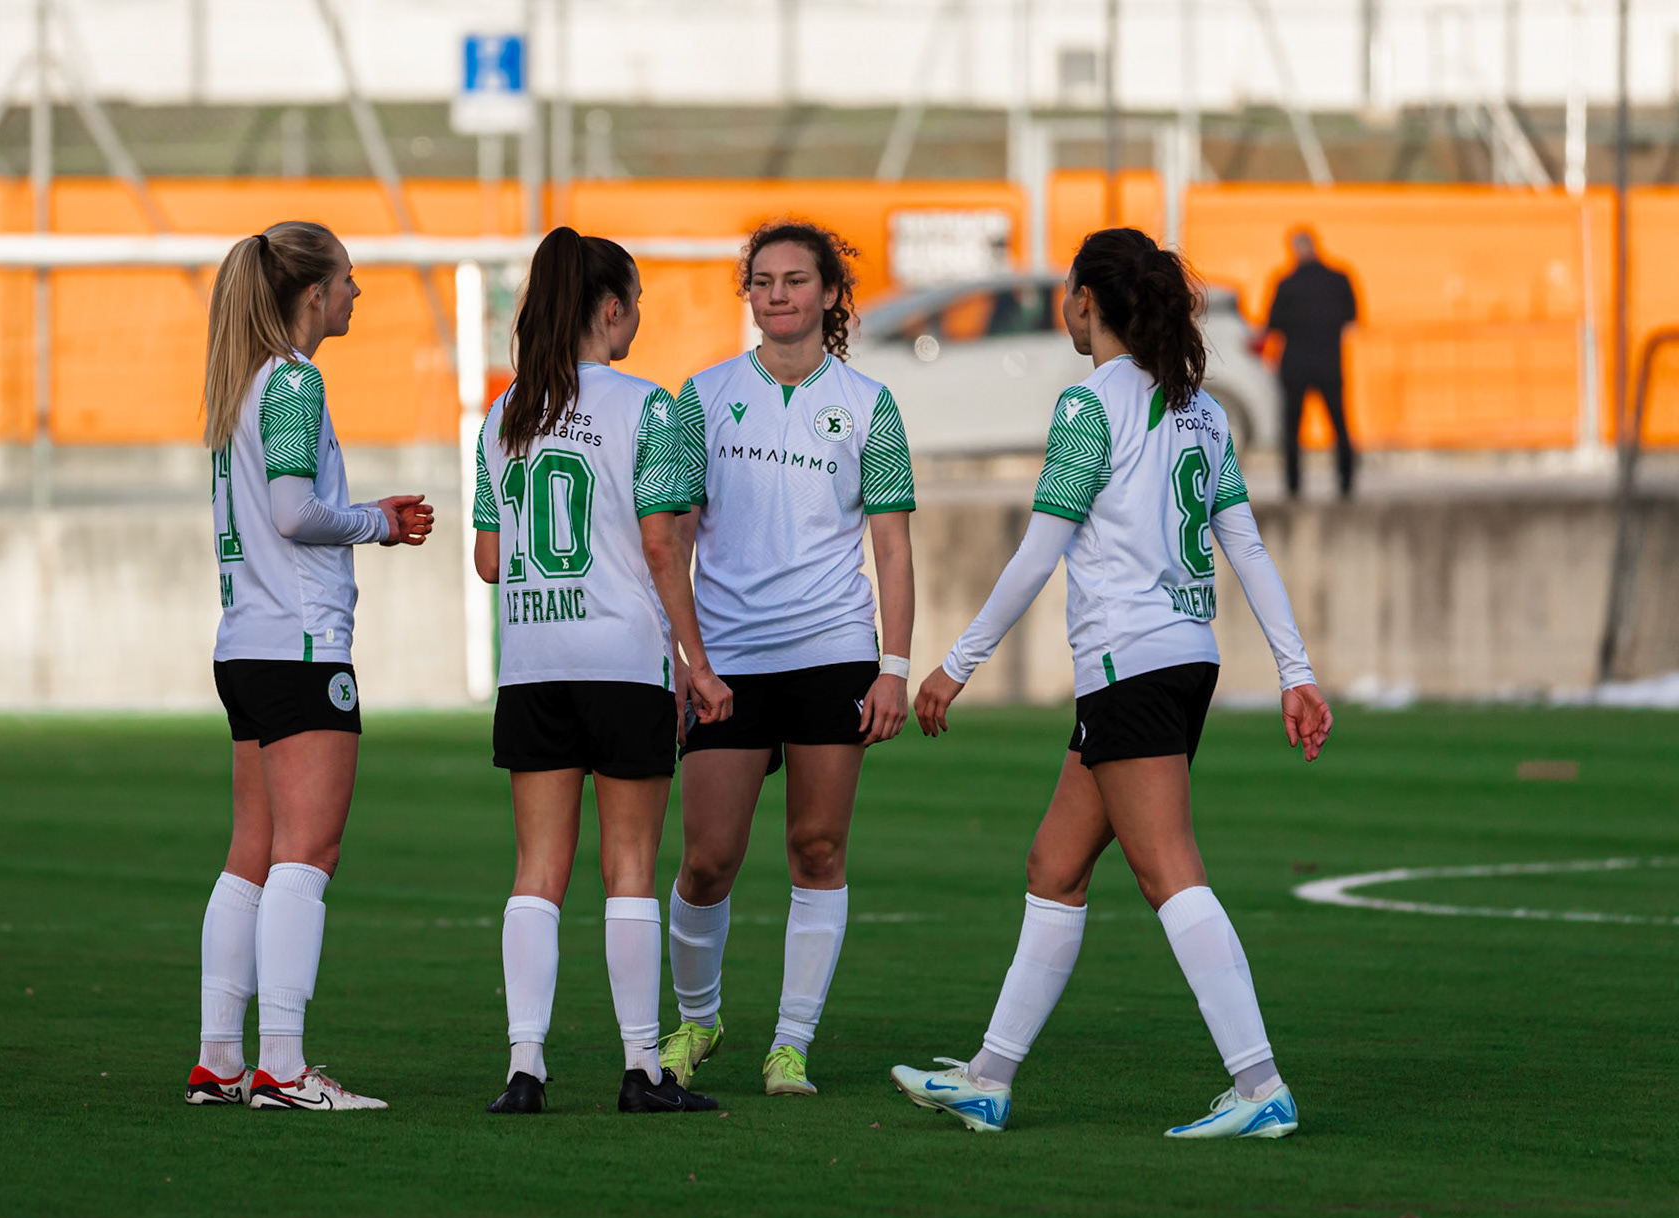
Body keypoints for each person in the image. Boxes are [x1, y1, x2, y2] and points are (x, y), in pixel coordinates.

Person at [890, 227, 1333, 1138]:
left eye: (1069, 293)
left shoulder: (1090, 406)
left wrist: (954, 664)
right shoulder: (1199, 409)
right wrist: (1295, 670)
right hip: (1183, 658)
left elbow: (1037, 553)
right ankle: (988, 1078)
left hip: (1130, 663)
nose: (1065, 307)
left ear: (1087, 302)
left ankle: (1261, 1087)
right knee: (1054, 867)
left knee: (1169, 870)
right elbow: (1246, 547)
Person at [472, 226, 735, 1116]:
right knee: (629, 867)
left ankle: (525, 1068)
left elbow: (489, 559)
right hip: (622, 662)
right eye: (636, 305)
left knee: (536, 870)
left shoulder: (504, 413)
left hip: (533, 665)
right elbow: (662, 546)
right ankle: (640, 1069)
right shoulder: (649, 407)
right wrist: (697, 662)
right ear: (612, 309)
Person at [658, 221, 917, 1099]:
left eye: (796, 280)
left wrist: (894, 665)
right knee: (707, 860)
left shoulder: (870, 403)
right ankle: (698, 1020)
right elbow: (675, 537)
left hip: (832, 653)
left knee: (817, 846)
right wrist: (681, 656)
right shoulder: (701, 395)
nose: (777, 295)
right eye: (763, 280)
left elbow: (893, 548)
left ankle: (791, 1044)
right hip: (726, 659)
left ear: (831, 294)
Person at [186, 222, 434, 1112]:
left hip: (246, 645)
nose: (356, 294)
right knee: (307, 850)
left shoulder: (239, 383)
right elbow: (294, 513)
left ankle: (220, 1059)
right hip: (298, 647)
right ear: (313, 294)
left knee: (251, 851)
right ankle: (283, 1069)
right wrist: (379, 522)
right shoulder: (292, 380)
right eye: (348, 280)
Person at [1264, 229, 1359, 499]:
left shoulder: (1286, 283)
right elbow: (1351, 316)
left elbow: (1273, 324)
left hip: (1295, 364)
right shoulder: (1339, 279)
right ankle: (1346, 483)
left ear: (1294, 249)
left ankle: (1293, 486)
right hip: (1329, 362)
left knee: (1292, 429)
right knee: (1339, 424)